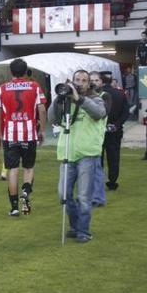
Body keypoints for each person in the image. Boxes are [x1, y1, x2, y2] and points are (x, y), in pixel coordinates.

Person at [49, 70, 107, 243]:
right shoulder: (66, 101)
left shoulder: (97, 99)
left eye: (84, 80)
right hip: (68, 152)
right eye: (77, 80)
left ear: (89, 83)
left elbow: (98, 114)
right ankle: (75, 225)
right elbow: (52, 118)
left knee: (83, 196)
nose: (80, 83)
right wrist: (59, 97)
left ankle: (83, 231)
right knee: (63, 194)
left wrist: (79, 99)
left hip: (88, 153)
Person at [0, 58, 47, 217]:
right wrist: (42, 131)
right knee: (29, 168)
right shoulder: (34, 86)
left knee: (13, 169)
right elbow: (42, 110)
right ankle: (26, 191)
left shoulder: (3, 88)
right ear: (26, 71)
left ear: (11, 72)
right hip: (29, 134)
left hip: (10, 134)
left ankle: (14, 207)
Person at [99, 72, 129, 191]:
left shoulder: (98, 95)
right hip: (114, 130)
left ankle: (98, 180)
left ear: (101, 81)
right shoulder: (120, 94)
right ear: (111, 81)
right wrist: (116, 125)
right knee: (114, 157)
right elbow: (125, 113)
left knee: (97, 157)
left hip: (98, 130)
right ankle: (112, 181)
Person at [88, 72, 111, 207]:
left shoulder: (105, 96)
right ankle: (91, 195)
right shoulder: (86, 97)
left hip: (97, 136)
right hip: (87, 136)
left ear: (101, 83)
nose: (94, 83)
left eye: (96, 80)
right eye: (91, 80)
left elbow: (102, 113)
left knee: (96, 168)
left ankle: (98, 197)